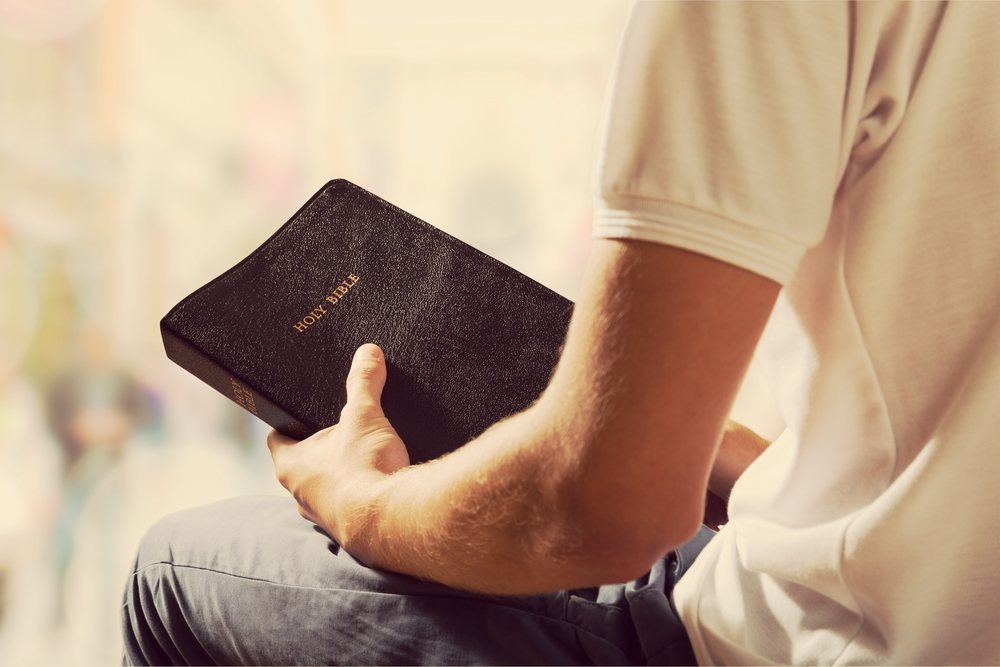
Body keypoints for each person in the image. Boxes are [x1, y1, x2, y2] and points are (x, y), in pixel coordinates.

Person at [122, 2, 1000, 665]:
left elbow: (605, 509)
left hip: (838, 639)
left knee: (171, 572)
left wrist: (360, 502)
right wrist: (707, 444)